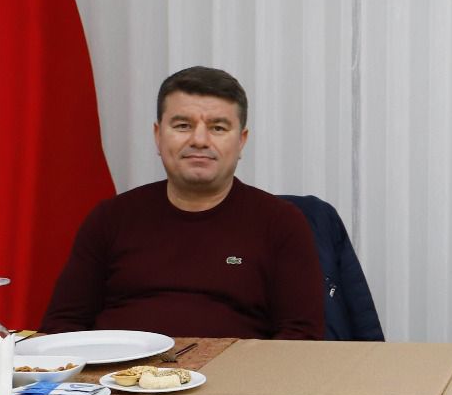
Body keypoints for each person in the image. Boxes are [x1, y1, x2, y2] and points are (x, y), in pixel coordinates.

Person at [42, 66, 325, 340]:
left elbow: (301, 336)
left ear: (241, 141)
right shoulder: (110, 218)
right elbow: (62, 325)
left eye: (218, 127)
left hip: (235, 372)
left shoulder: (281, 223)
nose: (199, 140)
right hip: (117, 370)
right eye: (183, 126)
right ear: (158, 136)